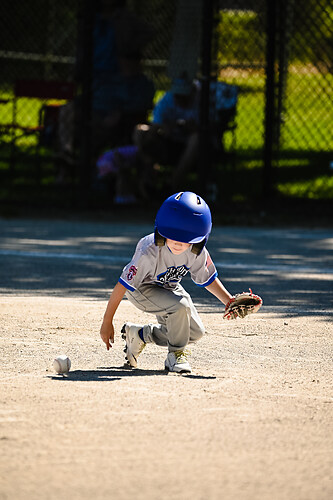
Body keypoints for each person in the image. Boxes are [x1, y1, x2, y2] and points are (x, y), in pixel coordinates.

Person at [100, 191, 239, 374]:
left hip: (168, 287)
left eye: (186, 238)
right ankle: (175, 355)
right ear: (162, 228)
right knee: (180, 307)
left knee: (194, 332)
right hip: (141, 289)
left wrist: (229, 301)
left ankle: (139, 334)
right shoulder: (149, 251)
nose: (178, 243)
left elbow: (207, 279)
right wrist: (107, 321)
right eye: (173, 234)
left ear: (199, 237)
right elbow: (122, 286)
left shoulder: (196, 251)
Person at [134, 75, 200, 191]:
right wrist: (165, 128)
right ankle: (148, 181)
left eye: (184, 96)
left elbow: (208, 127)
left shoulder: (201, 100)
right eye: (178, 96)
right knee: (139, 130)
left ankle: (172, 184)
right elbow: (155, 126)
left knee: (196, 138)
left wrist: (189, 127)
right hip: (168, 141)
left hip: (190, 144)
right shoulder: (167, 99)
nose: (180, 99)